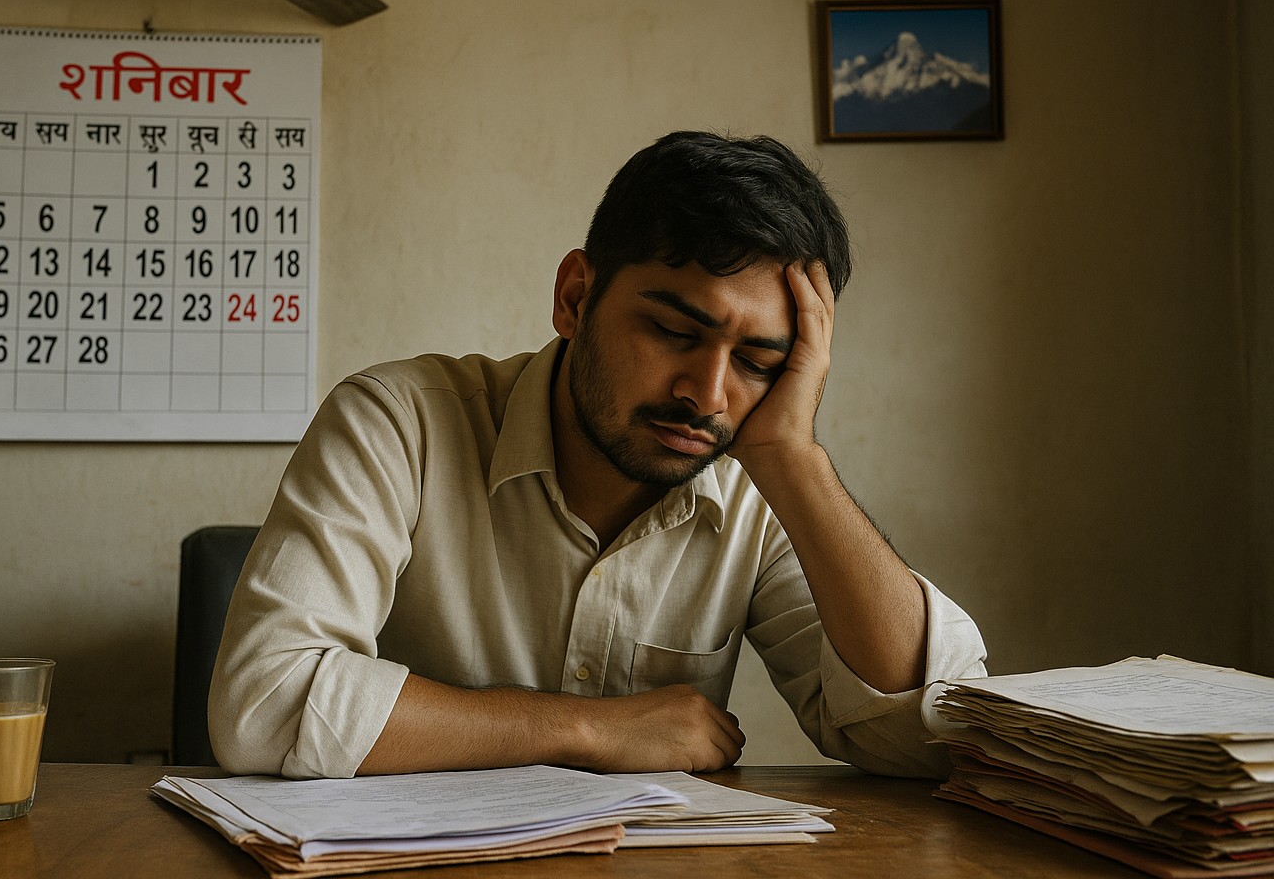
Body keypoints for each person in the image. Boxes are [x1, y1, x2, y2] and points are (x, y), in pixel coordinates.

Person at [208, 131, 987, 780]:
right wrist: (591, 730)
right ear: (576, 297)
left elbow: (933, 737)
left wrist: (793, 456)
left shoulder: (762, 485)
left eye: (757, 361)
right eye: (676, 333)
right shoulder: (398, 421)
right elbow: (264, 704)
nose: (708, 394)